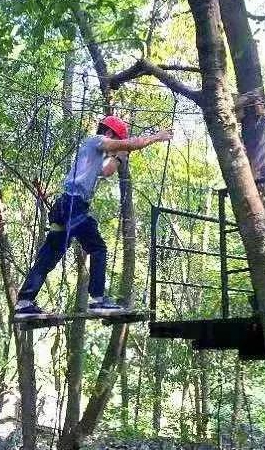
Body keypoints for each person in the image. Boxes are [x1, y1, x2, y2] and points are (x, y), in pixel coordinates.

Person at [14, 116, 172, 317]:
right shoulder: (96, 140)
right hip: (73, 205)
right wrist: (157, 137)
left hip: (65, 207)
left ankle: (24, 302)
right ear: (108, 134)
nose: (115, 145)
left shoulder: (94, 155)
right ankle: (98, 299)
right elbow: (131, 143)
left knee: (50, 254)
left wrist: (119, 156)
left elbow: (107, 171)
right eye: (116, 140)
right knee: (97, 247)